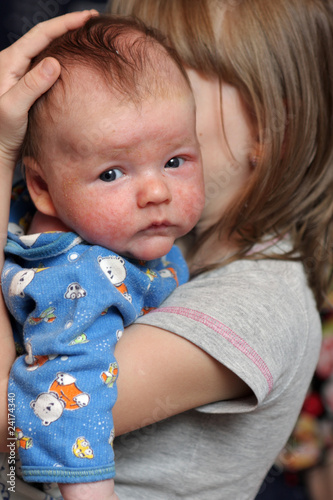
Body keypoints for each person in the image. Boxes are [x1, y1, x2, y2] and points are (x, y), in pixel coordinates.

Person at [0, 0, 332, 498]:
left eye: (171, 65)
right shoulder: (136, 229)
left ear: (269, 128)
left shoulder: (260, 305)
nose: (127, 90)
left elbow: (10, 423)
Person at [0, 12, 204, 500]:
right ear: (43, 187)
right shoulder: (84, 278)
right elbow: (67, 388)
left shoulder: (106, 228)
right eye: (113, 173)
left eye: (175, 161)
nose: (156, 191)